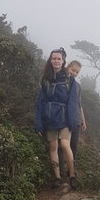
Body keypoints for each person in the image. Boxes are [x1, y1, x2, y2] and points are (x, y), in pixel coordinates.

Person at [35, 48, 78, 188]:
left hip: (65, 117)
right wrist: (38, 122)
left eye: (59, 59)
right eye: (54, 58)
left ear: (63, 61)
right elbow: (40, 101)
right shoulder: (46, 79)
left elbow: (72, 102)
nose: (56, 61)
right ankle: (57, 178)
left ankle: (72, 175)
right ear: (50, 60)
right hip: (49, 117)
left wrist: (72, 121)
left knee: (65, 145)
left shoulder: (70, 80)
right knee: (53, 147)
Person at [58, 60, 87, 176]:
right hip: (64, 119)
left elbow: (80, 105)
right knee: (62, 145)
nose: (74, 73)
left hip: (77, 120)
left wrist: (83, 121)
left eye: (77, 72)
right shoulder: (61, 82)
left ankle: (71, 169)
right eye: (73, 70)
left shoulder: (78, 86)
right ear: (68, 68)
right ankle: (60, 170)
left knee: (73, 145)